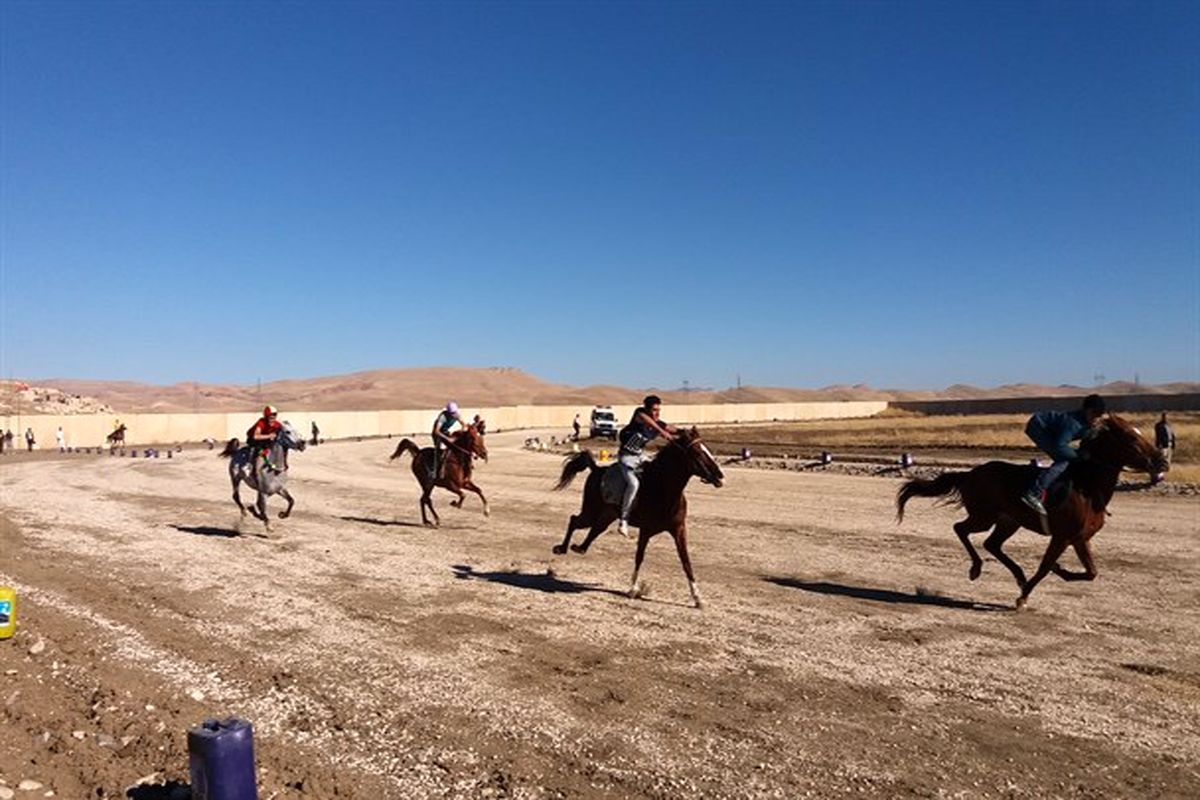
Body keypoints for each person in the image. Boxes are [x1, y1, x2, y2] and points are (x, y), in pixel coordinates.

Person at [1022, 394, 1107, 515]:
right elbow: (1060, 446)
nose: (1097, 419)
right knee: (1063, 461)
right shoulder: (1073, 424)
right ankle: (1034, 493)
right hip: (1038, 427)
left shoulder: (1089, 422)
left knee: (1073, 457)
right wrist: (1078, 456)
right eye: (1095, 415)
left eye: (1100, 416)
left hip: (1053, 433)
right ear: (1087, 411)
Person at [616, 395, 677, 537]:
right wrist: (662, 432)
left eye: (659, 410)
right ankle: (624, 520)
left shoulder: (658, 424)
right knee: (633, 484)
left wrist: (685, 432)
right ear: (647, 409)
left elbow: (672, 428)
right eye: (654, 410)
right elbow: (649, 421)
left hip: (639, 457)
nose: (657, 413)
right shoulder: (639, 415)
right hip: (626, 458)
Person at [431, 401, 463, 479]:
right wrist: (448, 439)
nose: (453, 415)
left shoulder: (456, 415)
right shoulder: (442, 417)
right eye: (451, 413)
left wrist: (461, 432)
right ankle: (435, 471)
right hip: (438, 434)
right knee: (438, 452)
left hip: (446, 432)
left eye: (454, 413)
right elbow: (436, 431)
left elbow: (464, 425)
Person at [247, 405, 283, 473]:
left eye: (274, 415)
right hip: (254, 441)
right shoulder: (261, 423)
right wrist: (269, 436)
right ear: (266, 416)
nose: (273, 417)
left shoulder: (277, 424)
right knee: (260, 453)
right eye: (270, 415)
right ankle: (251, 467)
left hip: (266, 441)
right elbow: (256, 436)